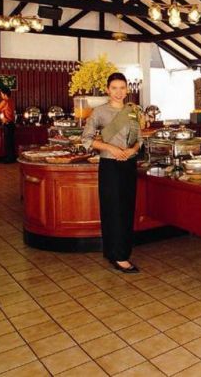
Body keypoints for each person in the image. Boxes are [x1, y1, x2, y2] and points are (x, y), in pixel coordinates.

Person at [81, 73, 143, 273]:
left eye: (122, 88)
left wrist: (132, 150)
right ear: (107, 90)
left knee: (127, 209)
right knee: (112, 209)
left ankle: (118, 252)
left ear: (127, 89)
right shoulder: (99, 112)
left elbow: (139, 139)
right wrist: (111, 148)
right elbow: (86, 139)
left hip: (129, 164)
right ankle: (119, 256)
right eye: (114, 88)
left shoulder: (132, 111)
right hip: (110, 166)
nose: (118, 92)